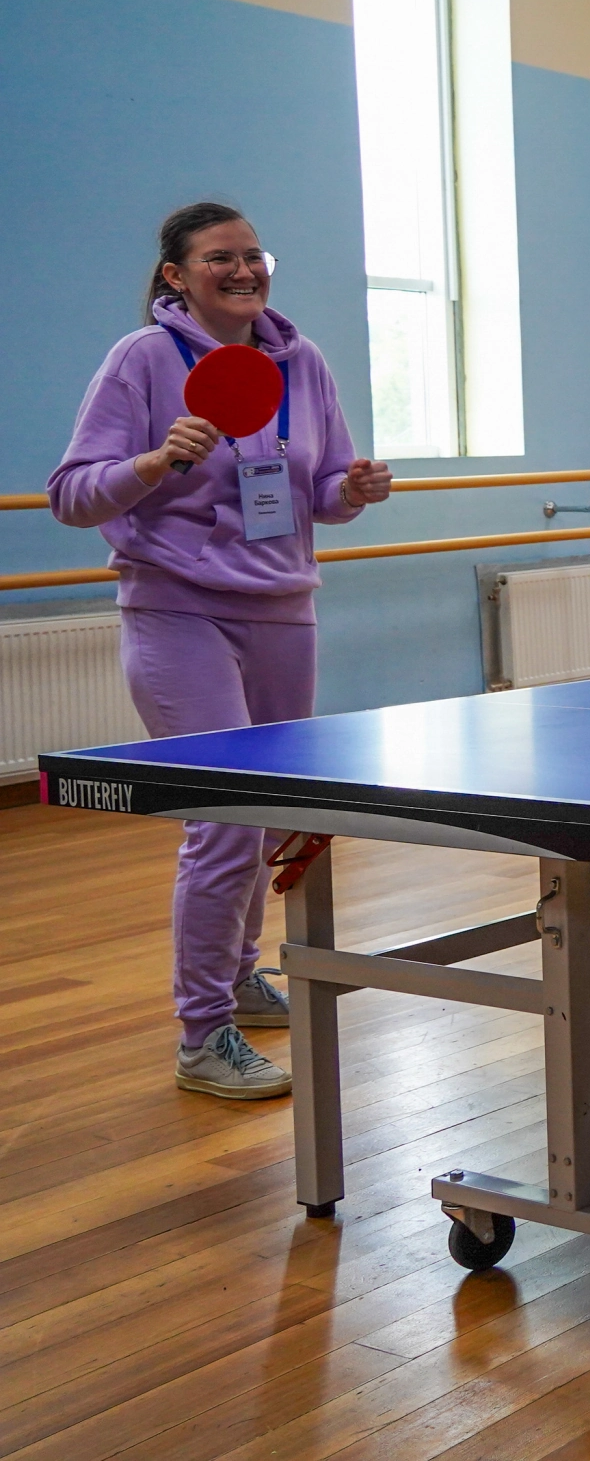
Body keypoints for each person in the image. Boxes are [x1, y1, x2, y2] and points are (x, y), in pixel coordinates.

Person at [51, 203, 393, 1101]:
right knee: (227, 817)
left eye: (252, 255)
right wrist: (154, 461)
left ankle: (240, 978)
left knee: (269, 811)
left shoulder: (301, 361)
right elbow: (72, 496)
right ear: (176, 274)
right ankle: (203, 1036)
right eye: (218, 258)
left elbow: (321, 489)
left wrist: (355, 488)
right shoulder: (142, 360)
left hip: (282, 609)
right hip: (176, 610)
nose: (243, 271)